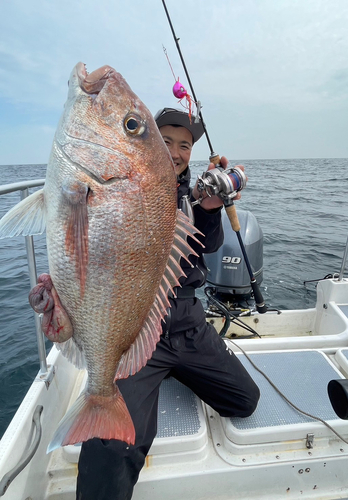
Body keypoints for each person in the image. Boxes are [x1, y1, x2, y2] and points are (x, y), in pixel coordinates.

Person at [76, 108, 260, 500]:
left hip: (190, 325)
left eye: (184, 145)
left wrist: (208, 209)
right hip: (140, 328)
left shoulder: (193, 194)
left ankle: (180, 369)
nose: (175, 152)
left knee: (245, 401)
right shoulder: (128, 188)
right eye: (166, 141)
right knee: (114, 447)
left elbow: (205, 248)